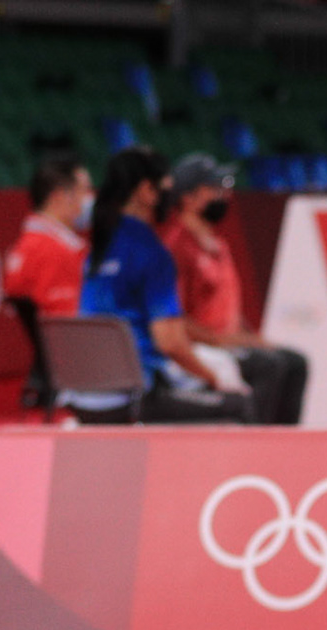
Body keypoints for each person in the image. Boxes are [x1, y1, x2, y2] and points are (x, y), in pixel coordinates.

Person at [78, 146, 252, 424]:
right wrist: (214, 378)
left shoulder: (98, 250)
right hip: (138, 396)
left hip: (86, 398)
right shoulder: (152, 253)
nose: (169, 198)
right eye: (165, 188)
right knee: (238, 403)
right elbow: (171, 343)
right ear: (147, 191)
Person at [159, 153, 309, 425]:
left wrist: (251, 337)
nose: (223, 194)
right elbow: (174, 318)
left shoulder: (218, 244)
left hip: (228, 342)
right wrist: (220, 341)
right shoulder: (176, 247)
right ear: (188, 198)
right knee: (269, 366)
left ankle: (284, 446)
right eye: (213, 188)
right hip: (202, 348)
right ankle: (254, 443)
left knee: (296, 363)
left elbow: (226, 305)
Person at [4, 155, 92, 316]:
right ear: (59, 196)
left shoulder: (28, 243)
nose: (90, 199)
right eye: (84, 191)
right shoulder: (57, 251)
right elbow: (68, 323)